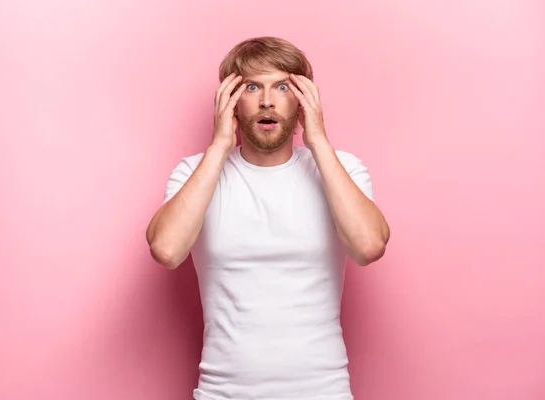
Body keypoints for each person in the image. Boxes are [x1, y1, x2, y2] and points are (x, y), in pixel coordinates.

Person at [146, 36, 390, 400]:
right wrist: (218, 147)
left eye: (282, 86)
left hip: (324, 392)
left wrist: (318, 139)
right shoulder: (195, 173)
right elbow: (166, 250)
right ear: (229, 101)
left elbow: (369, 246)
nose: (266, 100)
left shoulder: (343, 170)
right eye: (251, 87)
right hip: (222, 394)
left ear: (303, 98)